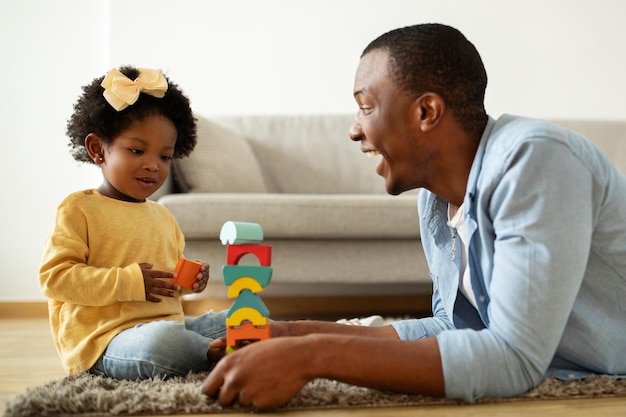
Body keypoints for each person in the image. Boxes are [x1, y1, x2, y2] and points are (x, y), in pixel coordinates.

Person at [201, 23, 626, 409]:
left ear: (426, 112)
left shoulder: (535, 159)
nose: (353, 130)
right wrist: (295, 334)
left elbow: (514, 359)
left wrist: (312, 357)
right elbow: (454, 328)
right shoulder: (437, 201)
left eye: (365, 107)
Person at [39, 66, 227, 380]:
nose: (153, 165)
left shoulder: (163, 216)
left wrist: (186, 282)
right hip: (108, 341)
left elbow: (163, 288)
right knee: (161, 343)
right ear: (98, 149)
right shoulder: (78, 209)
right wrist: (130, 281)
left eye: (165, 157)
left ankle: (226, 343)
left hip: (168, 325)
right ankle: (212, 354)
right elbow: (56, 279)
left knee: (236, 318)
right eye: (137, 150)